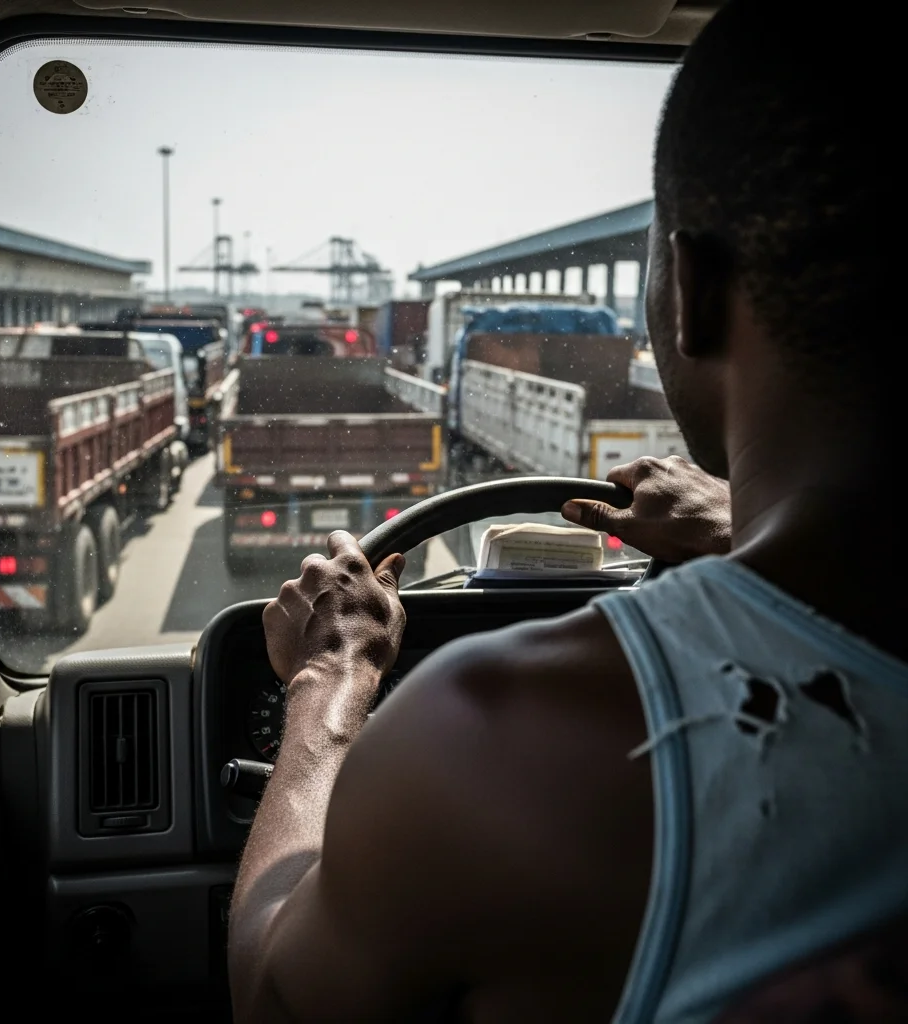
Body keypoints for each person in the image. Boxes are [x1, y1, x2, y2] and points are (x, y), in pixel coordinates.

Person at [228, 1, 900, 1020]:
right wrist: (736, 535)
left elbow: (274, 993)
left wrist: (328, 683)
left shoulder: (498, 734)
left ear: (691, 291)